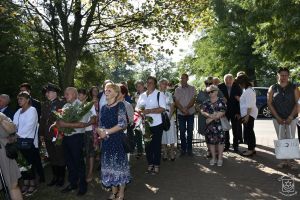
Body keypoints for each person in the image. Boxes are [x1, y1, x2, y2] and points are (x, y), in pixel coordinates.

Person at [96, 83, 131, 200]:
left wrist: (106, 132)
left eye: (109, 90)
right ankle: (114, 191)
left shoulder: (120, 106)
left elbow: (122, 124)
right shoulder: (103, 108)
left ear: (116, 93)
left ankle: (121, 193)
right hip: (106, 142)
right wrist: (100, 132)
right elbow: (100, 125)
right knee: (109, 167)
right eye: (105, 90)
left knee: (119, 167)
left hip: (117, 141)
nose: (106, 92)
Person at [55, 87, 92, 196]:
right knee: (69, 162)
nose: (65, 96)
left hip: (76, 137)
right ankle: (73, 183)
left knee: (78, 162)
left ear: (75, 95)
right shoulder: (65, 106)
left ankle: (82, 186)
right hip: (66, 137)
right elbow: (59, 120)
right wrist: (58, 124)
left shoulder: (82, 106)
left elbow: (81, 124)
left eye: (67, 94)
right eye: (65, 94)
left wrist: (64, 124)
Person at [13, 91, 45, 195]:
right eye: (18, 99)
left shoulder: (32, 110)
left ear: (27, 100)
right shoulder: (18, 111)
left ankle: (32, 184)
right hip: (18, 141)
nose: (19, 101)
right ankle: (26, 182)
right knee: (22, 164)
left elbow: (30, 126)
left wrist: (17, 135)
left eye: (21, 99)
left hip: (28, 141)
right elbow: (14, 125)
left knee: (29, 164)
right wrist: (14, 134)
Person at [267, 68, 299, 169]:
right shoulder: (273, 88)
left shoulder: (294, 87)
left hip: (292, 118)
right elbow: (269, 103)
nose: (283, 77)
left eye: (285, 75)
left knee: (291, 138)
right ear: (278, 76)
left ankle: (292, 161)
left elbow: (298, 103)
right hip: (277, 118)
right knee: (281, 138)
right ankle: (283, 160)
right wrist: (277, 117)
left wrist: (290, 117)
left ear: (288, 76)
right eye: (282, 75)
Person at [136, 76, 166, 174]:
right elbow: (137, 108)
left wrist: (150, 111)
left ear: (155, 84)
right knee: (147, 146)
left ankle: (156, 165)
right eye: (147, 82)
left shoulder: (159, 94)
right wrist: (140, 111)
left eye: (151, 83)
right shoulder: (142, 95)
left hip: (157, 123)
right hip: (145, 124)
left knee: (156, 145)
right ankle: (150, 164)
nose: (149, 84)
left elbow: (163, 108)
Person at [39, 83, 66, 187]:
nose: (46, 94)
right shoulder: (45, 104)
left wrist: (61, 134)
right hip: (47, 135)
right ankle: (55, 177)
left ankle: (61, 178)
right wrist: (41, 133)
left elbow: (63, 120)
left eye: (48, 92)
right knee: (52, 157)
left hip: (57, 135)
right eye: (46, 92)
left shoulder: (62, 104)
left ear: (55, 93)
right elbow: (42, 120)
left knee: (60, 156)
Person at [201, 85, 226, 166]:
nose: (210, 93)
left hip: (219, 125)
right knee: (211, 142)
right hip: (210, 127)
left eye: (212, 91)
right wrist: (210, 116)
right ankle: (213, 158)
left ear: (216, 91)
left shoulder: (221, 101)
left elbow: (222, 112)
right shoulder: (206, 102)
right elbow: (203, 112)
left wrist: (210, 118)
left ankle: (220, 158)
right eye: (208, 92)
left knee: (220, 142)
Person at [0, 112, 23, 200]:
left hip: (4, 153)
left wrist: (1, 120)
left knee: (13, 184)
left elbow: (12, 130)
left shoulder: (1, 115)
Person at [218, 74, 242, 152]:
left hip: (235, 112)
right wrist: (221, 111)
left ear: (232, 80)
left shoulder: (237, 86)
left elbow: (240, 101)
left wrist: (238, 112)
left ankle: (235, 146)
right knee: (225, 129)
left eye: (230, 81)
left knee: (236, 130)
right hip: (224, 112)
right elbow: (218, 100)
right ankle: (226, 145)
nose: (228, 83)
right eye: (226, 81)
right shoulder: (220, 87)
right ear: (224, 81)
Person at [236, 74, 258, 157]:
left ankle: (250, 150)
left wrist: (247, 116)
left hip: (249, 114)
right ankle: (252, 149)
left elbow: (249, 105)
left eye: (239, 83)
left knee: (249, 132)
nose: (239, 85)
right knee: (250, 131)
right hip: (248, 114)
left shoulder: (248, 91)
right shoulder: (248, 90)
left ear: (243, 83)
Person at [78, 89, 97, 183]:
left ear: (85, 96)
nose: (79, 96)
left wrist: (85, 125)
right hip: (78, 132)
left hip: (88, 131)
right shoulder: (75, 105)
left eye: (81, 95)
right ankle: (83, 171)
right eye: (78, 95)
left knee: (90, 153)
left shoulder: (90, 105)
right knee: (83, 153)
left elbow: (94, 118)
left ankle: (90, 172)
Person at [174, 73, 196, 156]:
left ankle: (190, 149)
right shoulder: (177, 90)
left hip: (190, 113)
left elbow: (193, 100)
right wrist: (182, 109)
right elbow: (176, 101)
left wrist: (186, 108)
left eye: (183, 78)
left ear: (187, 79)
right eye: (181, 78)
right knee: (182, 131)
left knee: (190, 131)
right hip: (181, 114)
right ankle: (183, 149)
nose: (182, 79)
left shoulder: (192, 88)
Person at [159, 78, 177, 161]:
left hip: (169, 116)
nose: (165, 85)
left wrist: (169, 117)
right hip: (159, 117)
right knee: (162, 135)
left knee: (171, 134)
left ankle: (172, 152)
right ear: (159, 85)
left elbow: (172, 106)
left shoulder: (169, 94)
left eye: (166, 83)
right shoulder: (156, 94)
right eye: (163, 83)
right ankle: (165, 152)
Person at [133, 80, 146, 159]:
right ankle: (139, 151)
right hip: (137, 117)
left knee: (146, 134)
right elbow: (134, 105)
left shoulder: (147, 94)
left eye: (140, 86)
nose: (138, 88)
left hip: (145, 116)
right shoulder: (135, 95)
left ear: (143, 85)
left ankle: (148, 150)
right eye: (137, 86)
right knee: (138, 134)